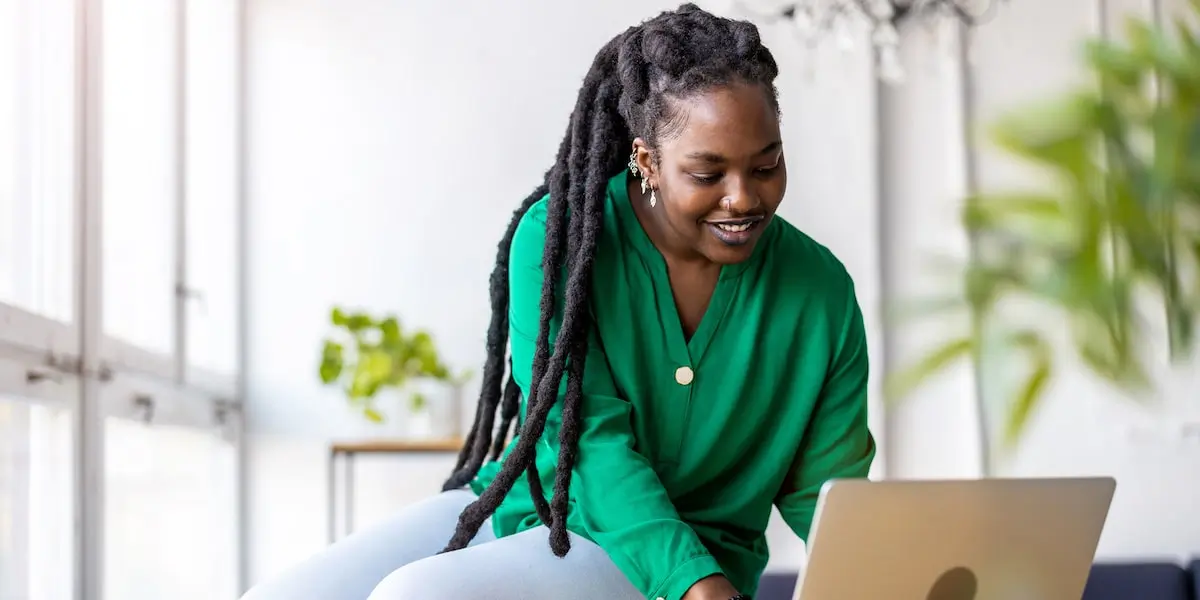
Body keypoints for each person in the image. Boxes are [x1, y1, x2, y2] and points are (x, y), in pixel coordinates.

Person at [241, 4, 875, 600]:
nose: (743, 198)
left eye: (766, 166)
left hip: (685, 560)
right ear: (647, 160)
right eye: (708, 174)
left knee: (417, 595)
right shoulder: (558, 241)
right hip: (544, 505)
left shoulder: (820, 291)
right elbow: (589, 441)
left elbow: (827, 493)